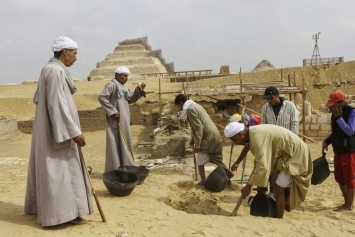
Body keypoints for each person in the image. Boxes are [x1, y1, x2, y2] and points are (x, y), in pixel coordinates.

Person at [24, 36, 93, 226]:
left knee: (59, 173)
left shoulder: (53, 70)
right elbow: (57, 104)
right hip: (57, 132)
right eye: (75, 53)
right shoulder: (54, 71)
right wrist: (73, 131)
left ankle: (64, 213)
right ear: (65, 52)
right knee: (62, 173)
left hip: (55, 128)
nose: (76, 57)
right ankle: (62, 215)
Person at [224, 122, 312, 218]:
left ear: (241, 134)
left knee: (279, 188)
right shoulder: (251, 134)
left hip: (295, 155)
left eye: (234, 139)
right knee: (275, 186)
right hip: (285, 155)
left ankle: (278, 218)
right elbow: (255, 155)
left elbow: (263, 166)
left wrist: (248, 187)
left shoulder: (257, 137)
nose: (235, 143)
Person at [174, 94, 233, 184]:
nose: (179, 108)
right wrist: (193, 139)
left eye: (178, 105)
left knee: (201, 158)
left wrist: (197, 143)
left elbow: (198, 127)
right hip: (213, 136)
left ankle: (204, 180)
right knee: (216, 159)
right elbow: (196, 126)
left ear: (181, 103)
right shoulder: (195, 106)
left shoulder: (191, 109)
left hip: (207, 137)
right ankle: (226, 178)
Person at [98, 66, 146, 172]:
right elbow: (101, 97)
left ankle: (126, 166)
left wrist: (138, 91)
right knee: (115, 143)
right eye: (124, 76)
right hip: (115, 120)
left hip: (124, 119)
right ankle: (116, 168)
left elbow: (130, 99)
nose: (126, 78)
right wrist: (113, 111)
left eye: (127, 76)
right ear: (117, 75)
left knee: (125, 141)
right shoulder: (112, 85)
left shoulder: (123, 88)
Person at [322, 90, 355, 212]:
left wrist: (339, 118)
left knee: (349, 178)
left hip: (349, 151)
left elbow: (350, 131)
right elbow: (336, 132)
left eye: (333, 105)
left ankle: (349, 205)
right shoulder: (335, 114)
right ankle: (346, 203)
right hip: (338, 150)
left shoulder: (351, 112)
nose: (331, 108)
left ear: (341, 103)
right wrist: (327, 141)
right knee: (339, 177)